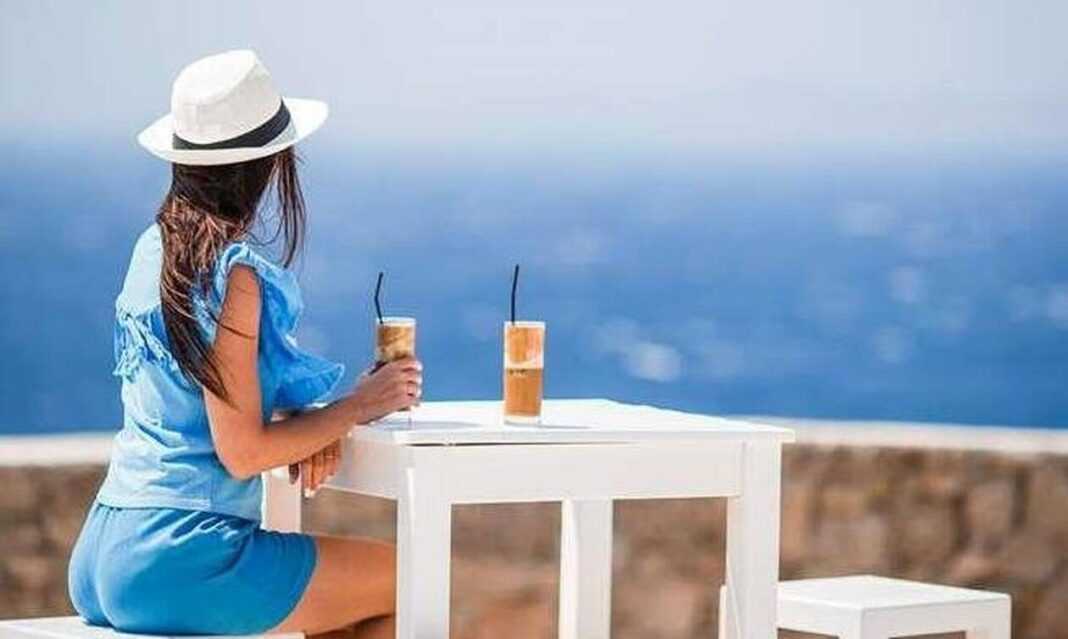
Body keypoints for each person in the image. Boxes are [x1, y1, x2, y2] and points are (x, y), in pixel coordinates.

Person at [67, 50, 418, 639]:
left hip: (103, 550)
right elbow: (243, 453)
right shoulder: (233, 276)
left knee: (342, 601)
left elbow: (197, 402)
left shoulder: (151, 251)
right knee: (409, 578)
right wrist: (361, 406)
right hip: (181, 557)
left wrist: (311, 426)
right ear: (271, 164)